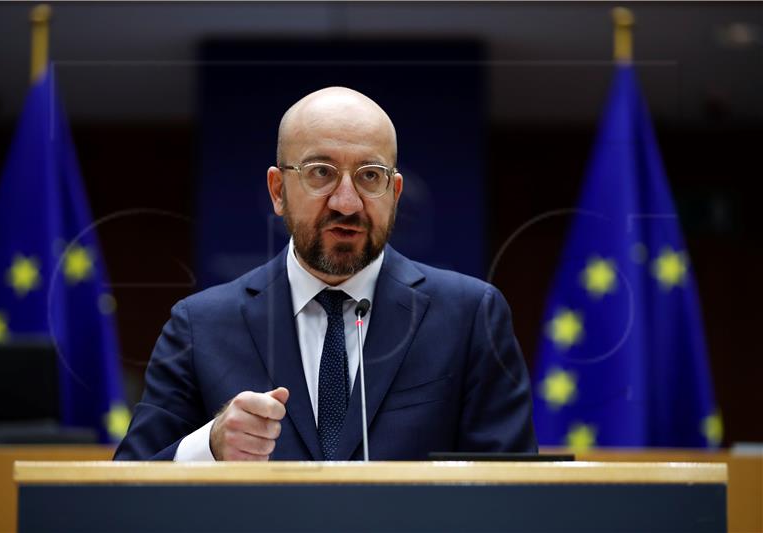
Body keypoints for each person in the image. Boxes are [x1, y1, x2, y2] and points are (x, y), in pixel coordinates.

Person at [114, 87, 537, 461]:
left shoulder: (470, 316)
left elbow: (514, 495)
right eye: (321, 173)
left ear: (395, 193)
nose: (347, 202)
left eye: (370, 176)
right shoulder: (199, 325)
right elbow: (125, 490)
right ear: (278, 191)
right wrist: (211, 445)